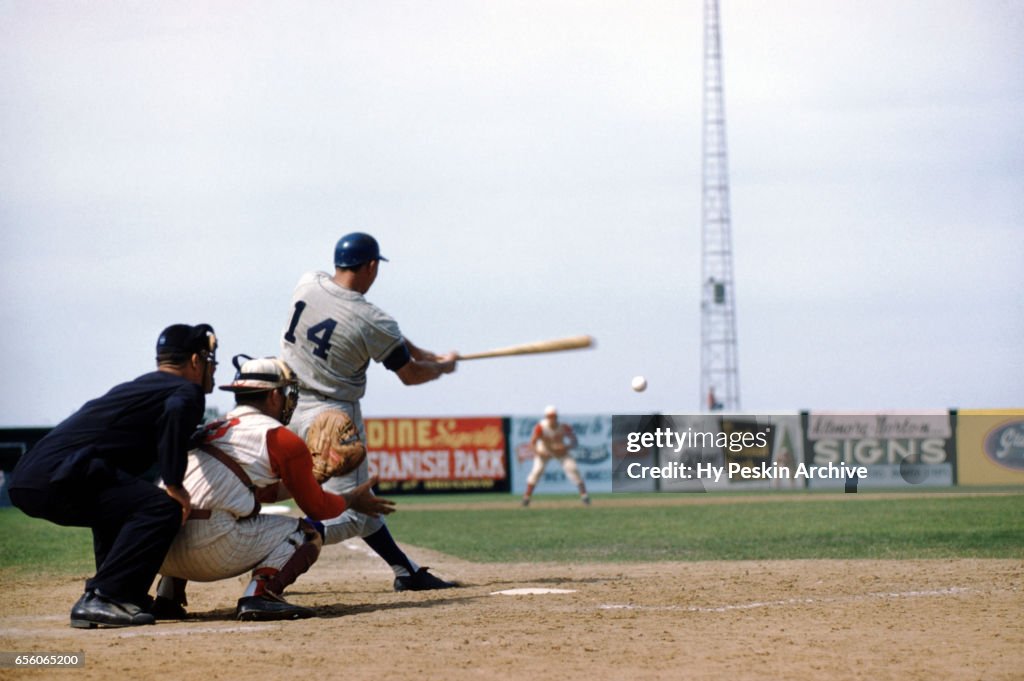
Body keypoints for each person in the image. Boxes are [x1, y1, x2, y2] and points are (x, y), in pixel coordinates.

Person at [153, 355, 395, 621]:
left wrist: (314, 477)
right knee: (306, 533)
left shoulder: (213, 428)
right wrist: (352, 499)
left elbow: (258, 492)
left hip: (160, 548)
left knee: (194, 508)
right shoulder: (279, 437)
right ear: (273, 397)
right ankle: (261, 594)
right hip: (210, 552)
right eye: (284, 392)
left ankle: (167, 596)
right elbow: (317, 508)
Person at [280, 231, 459, 591]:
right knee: (356, 510)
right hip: (332, 416)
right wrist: (441, 369)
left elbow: (390, 341)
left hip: (282, 403)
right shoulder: (373, 319)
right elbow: (409, 375)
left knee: (249, 488)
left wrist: (426, 355)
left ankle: (405, 571)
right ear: (372, 266)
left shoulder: (308, 282)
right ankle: (281, 544)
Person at [8, 324, 218, 628]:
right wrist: (174, 484)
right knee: (162, 508)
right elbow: (176, 410)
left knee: (119, 509)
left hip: (32, 477)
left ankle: (121, 593)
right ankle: (105, 596)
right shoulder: (185, 390)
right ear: (196, 361)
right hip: (59, 473)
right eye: (208, 360)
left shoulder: (142, 386)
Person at [521, 405, 590, 507]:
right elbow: (532, 443)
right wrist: (539, 452)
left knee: (573, 468)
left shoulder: (563, 426)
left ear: (557, 417)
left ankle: (584, 496)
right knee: (537, 471)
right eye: (549, 416)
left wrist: (566, 447)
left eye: (554, 416)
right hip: (544, 450)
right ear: (546, 417)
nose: (552, 419)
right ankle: (526, 498)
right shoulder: (541, 427)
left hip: (560, 451)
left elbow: (575, 441)